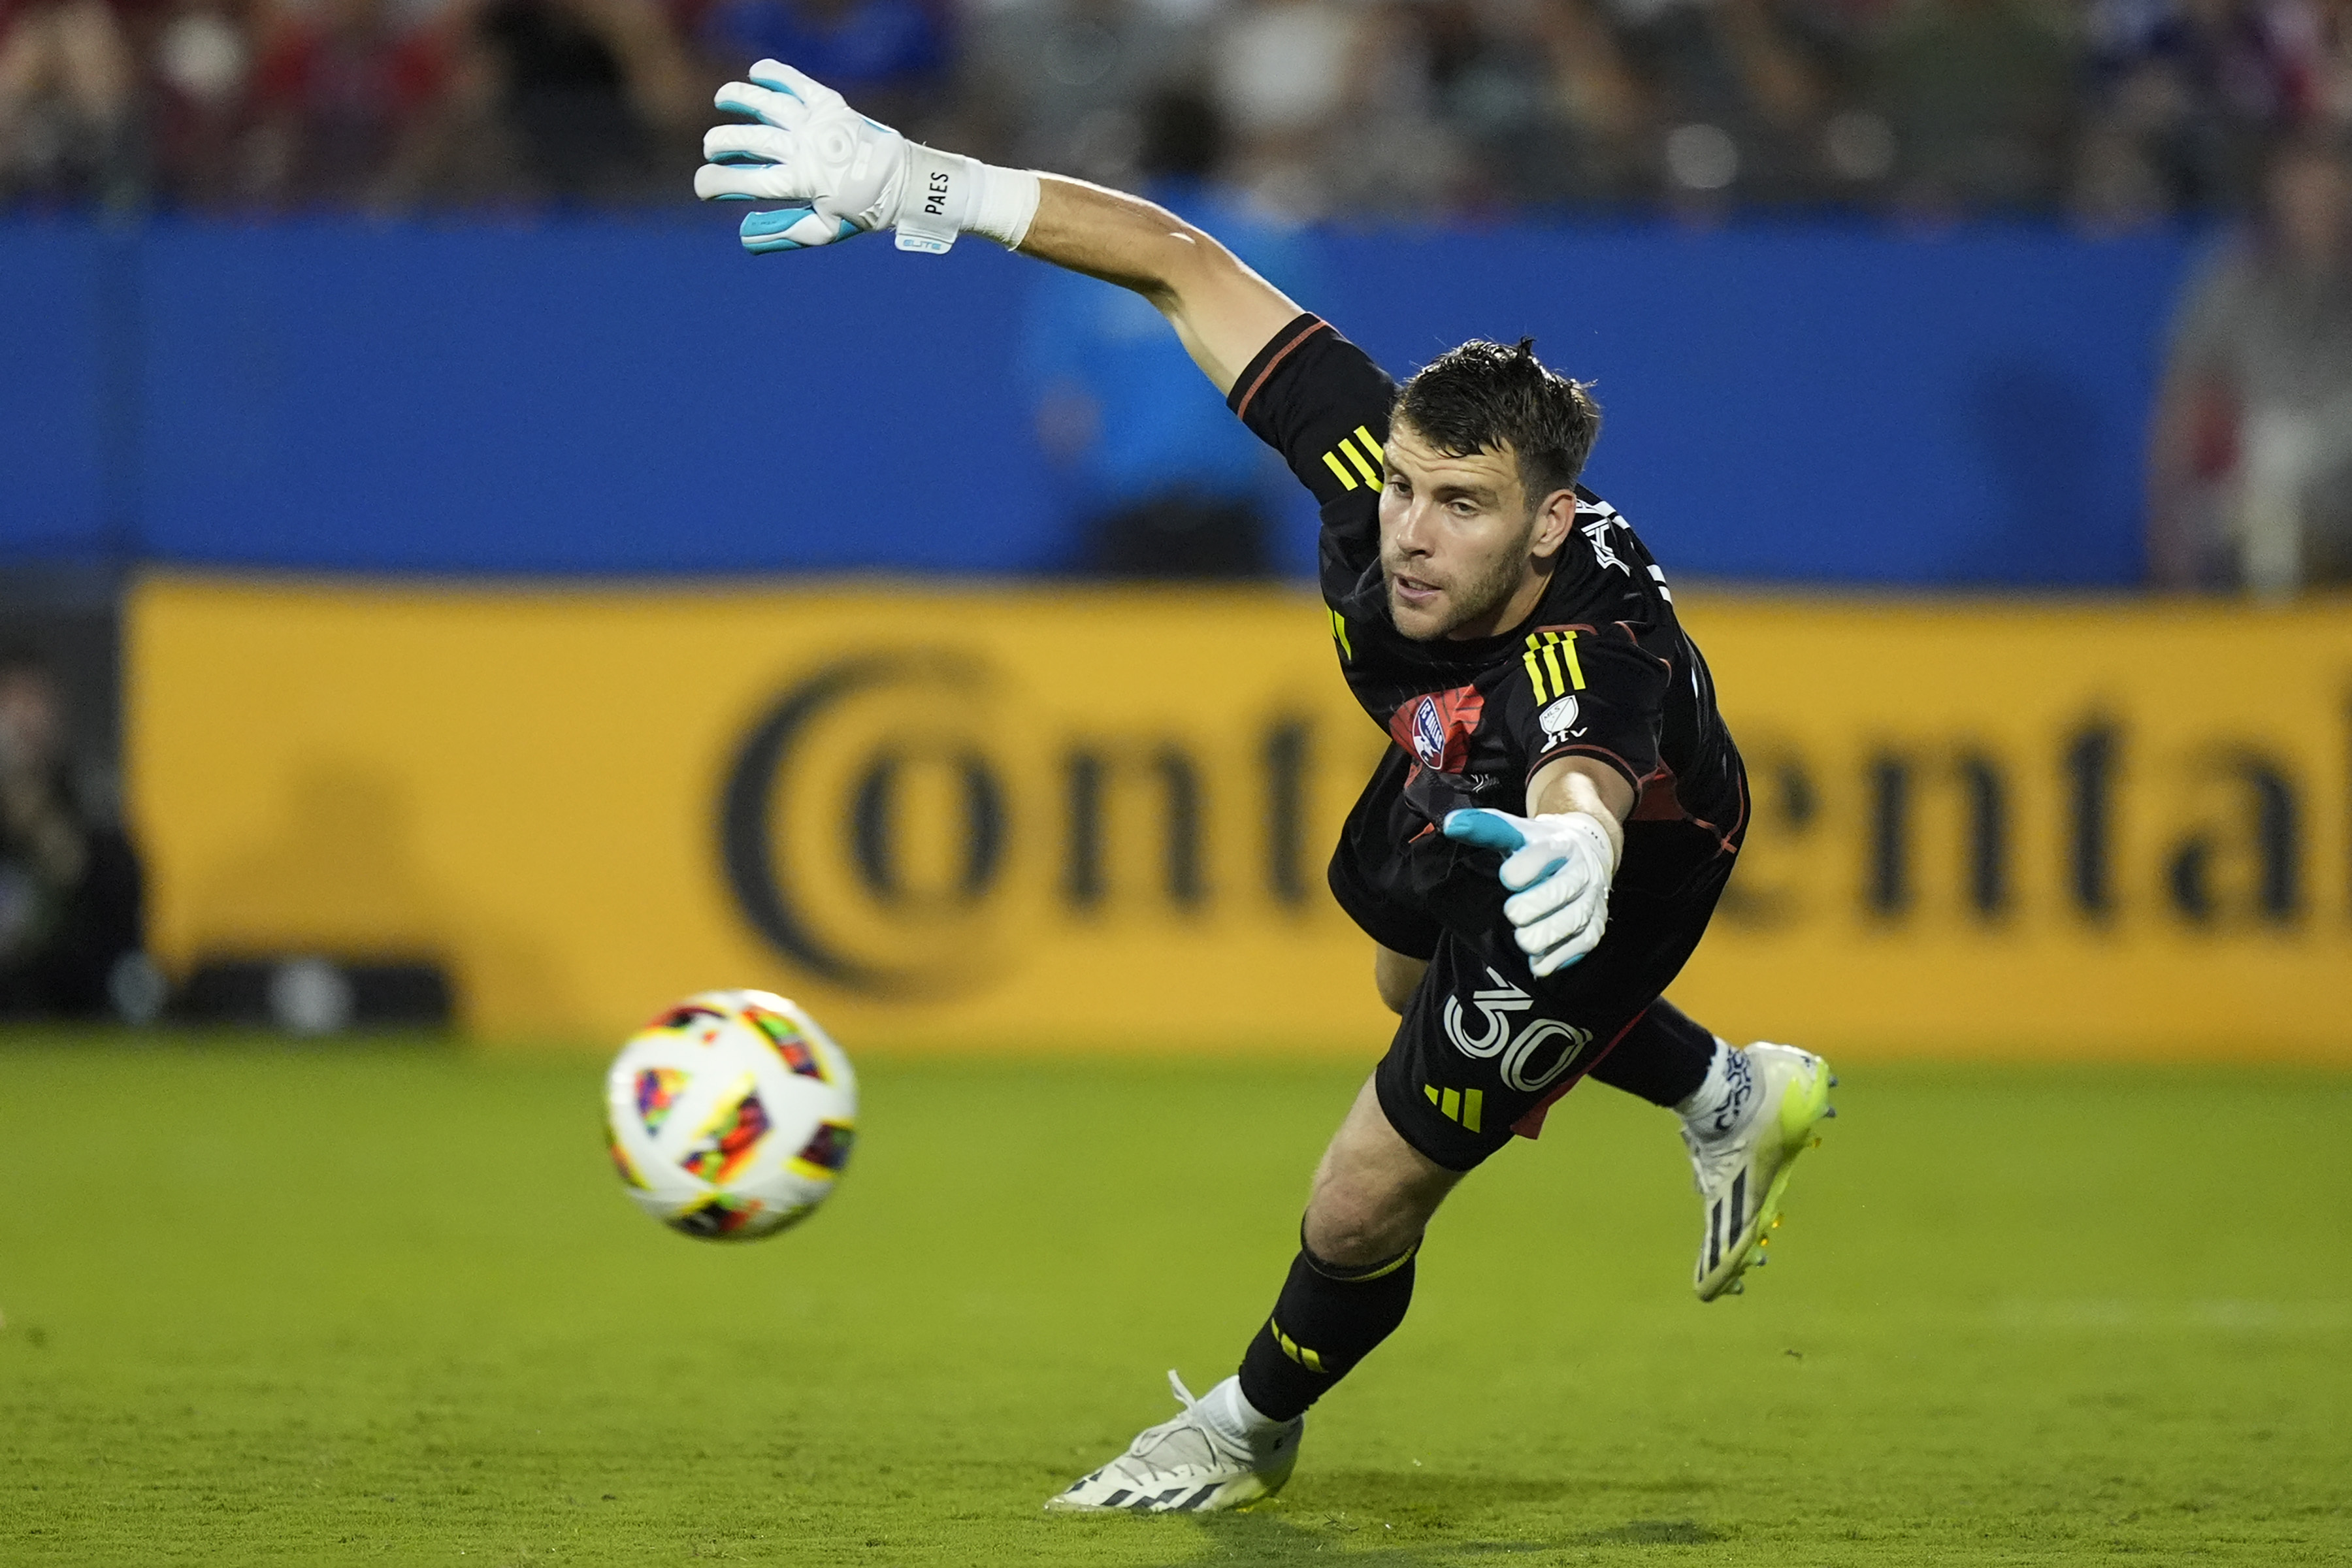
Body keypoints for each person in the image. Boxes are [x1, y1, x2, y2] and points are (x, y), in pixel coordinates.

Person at [693, 59, 1838, 1512]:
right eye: (1408, 487)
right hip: (1455, 760)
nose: (1409, 533)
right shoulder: (1382, 465)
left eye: (1462, 508)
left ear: (1552, 524)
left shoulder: (1586, 656)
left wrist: (1579, 860)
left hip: (1617, 853)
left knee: (1363, 1197)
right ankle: (1727, 1089)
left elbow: (1581, 773)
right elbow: (1178, 264)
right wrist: (922, 184)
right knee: (1391, 979)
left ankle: (1245, 1430)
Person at [2150, 132, 2352, 591]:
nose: (2315, 204)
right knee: (2261, 514)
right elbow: (2183, 403)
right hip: (2252, 504)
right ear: (2275, 192)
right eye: (2301, 190)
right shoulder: (2232, 276)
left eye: (2331, 191)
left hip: (2345, 495)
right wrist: (2167, 533)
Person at [0, 644, 144, 1019]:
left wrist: (34, 813)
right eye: (11, 705)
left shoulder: (88, 809)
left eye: (35, 702)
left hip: (68, 1005)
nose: (23, 722)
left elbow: (98, 892)